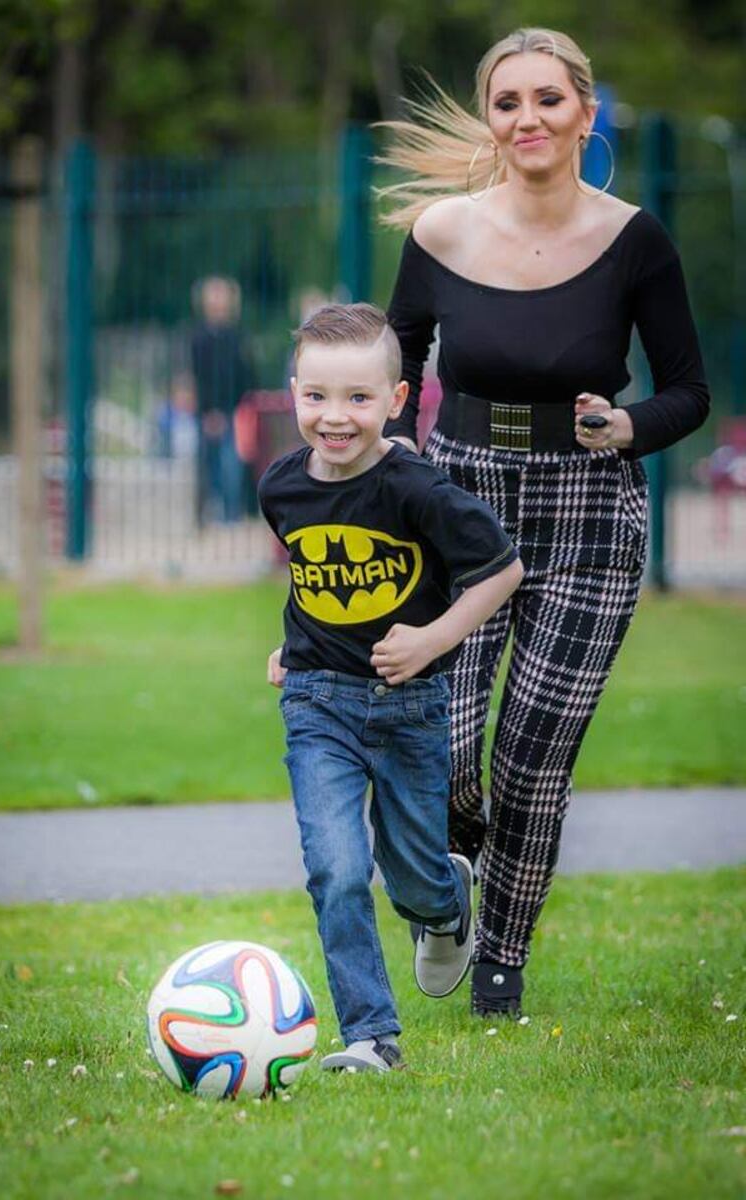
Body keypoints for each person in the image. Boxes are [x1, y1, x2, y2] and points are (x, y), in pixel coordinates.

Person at [378, 27, 710, 1018]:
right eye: (506, 102)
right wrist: (371, 434)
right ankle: (447, 895)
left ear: (584, 114)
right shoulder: (438, 233)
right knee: (436, 746)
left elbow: (687, 391)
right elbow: (397, 360)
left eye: (546, 101)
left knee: (530, 758)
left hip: (587, 513)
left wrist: (625, 427)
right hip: (459, 503)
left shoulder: (632, 239)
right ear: (490, 119)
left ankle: (499, 971)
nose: (525, 118)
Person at [258, 303, 522, 1073]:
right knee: (337, 870)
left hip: (412, 709)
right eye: (316, 397)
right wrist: (294, 643)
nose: (334, 418)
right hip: (318, 706)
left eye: (358, 399)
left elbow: (503, 571)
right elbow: (320, 575)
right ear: (294, 391)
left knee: (411, 877)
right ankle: (372, 1036)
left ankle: (445, 904)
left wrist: (434, 641)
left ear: (398, 401)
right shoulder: (280, 486)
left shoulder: (418, 489)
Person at [190, 276, 253, 523]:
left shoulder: (237, 338)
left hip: (233, 411)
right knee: (206, 466)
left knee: (231, 467)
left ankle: (232, 516)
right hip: (206, 412)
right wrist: (209, 411)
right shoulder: (197, 337)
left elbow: (245, 377)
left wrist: (234, 410)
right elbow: (197, 378)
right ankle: (206, 515)